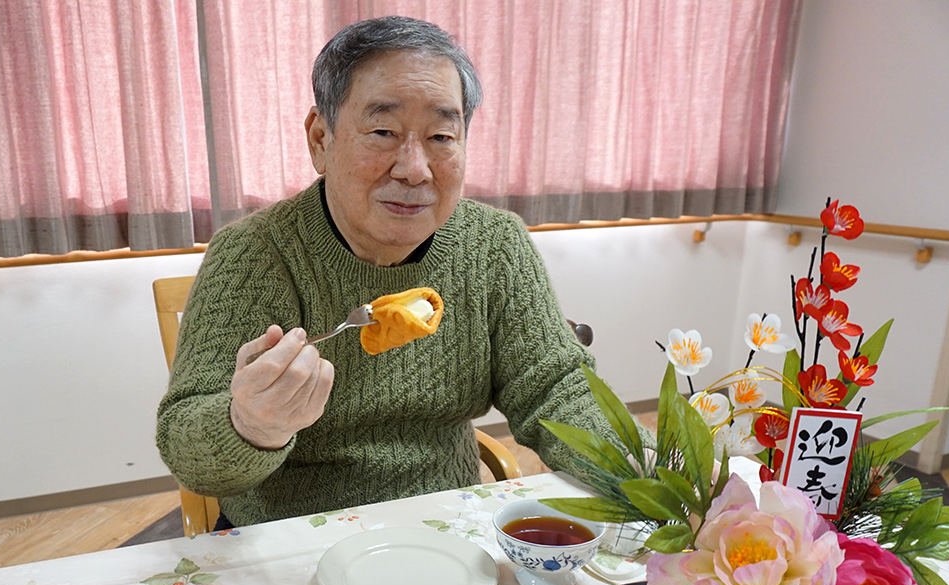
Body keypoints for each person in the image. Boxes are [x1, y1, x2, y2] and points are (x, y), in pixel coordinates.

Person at [157, 16, 642, 529]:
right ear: (321, 139)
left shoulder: (494, 244)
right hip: (292, 535)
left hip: (448, 523)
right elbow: (189, 450)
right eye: (383, 132)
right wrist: (251, 424)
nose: (414, 169)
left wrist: (648, 471)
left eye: (441, 136)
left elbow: (556, 390)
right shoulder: (254, 253)